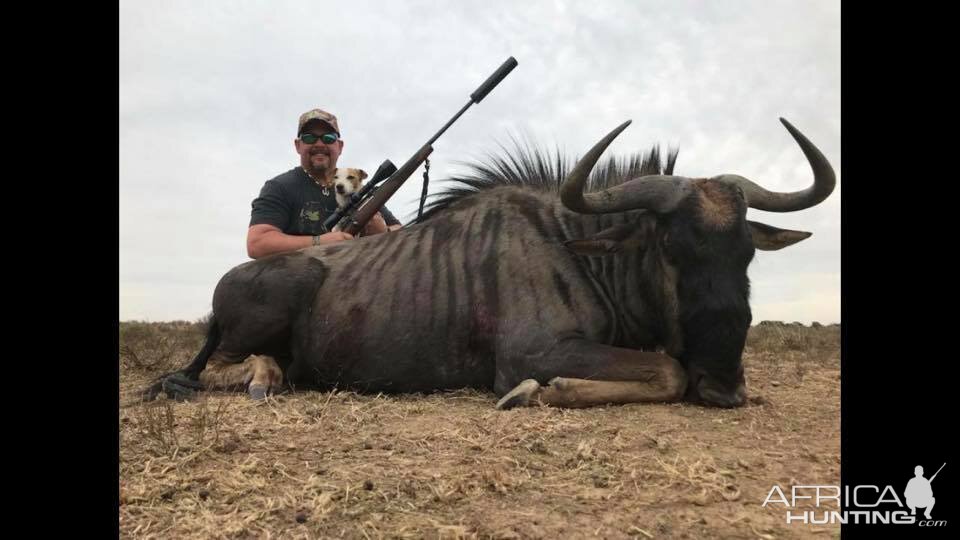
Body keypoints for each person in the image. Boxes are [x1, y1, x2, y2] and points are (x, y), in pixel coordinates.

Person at [246, 108, 402, 259]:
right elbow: (257, 243)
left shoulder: (361, 192)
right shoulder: (279, 186)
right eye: (309, 138)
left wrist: (385, 232)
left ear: (339, 146)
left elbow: (400, 230)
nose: (319, 144)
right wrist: (318, 242)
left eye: (328, 138)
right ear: (298, 145)